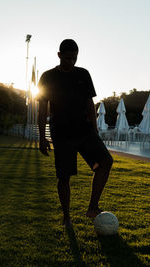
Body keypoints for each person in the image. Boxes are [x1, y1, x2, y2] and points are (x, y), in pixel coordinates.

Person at [37, 39, 113, 227]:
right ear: (59, 55)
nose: (72, 62)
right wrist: (41, 137)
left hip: (85, 130)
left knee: (105, 162)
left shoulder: (83, 74)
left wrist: (94, 129)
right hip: (61, 133)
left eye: (75, 58)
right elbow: (42, 110)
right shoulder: (48, 77)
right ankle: (66, 218)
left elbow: (90, 104)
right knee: (64, 176)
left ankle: (92, 207)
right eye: (68, 58)